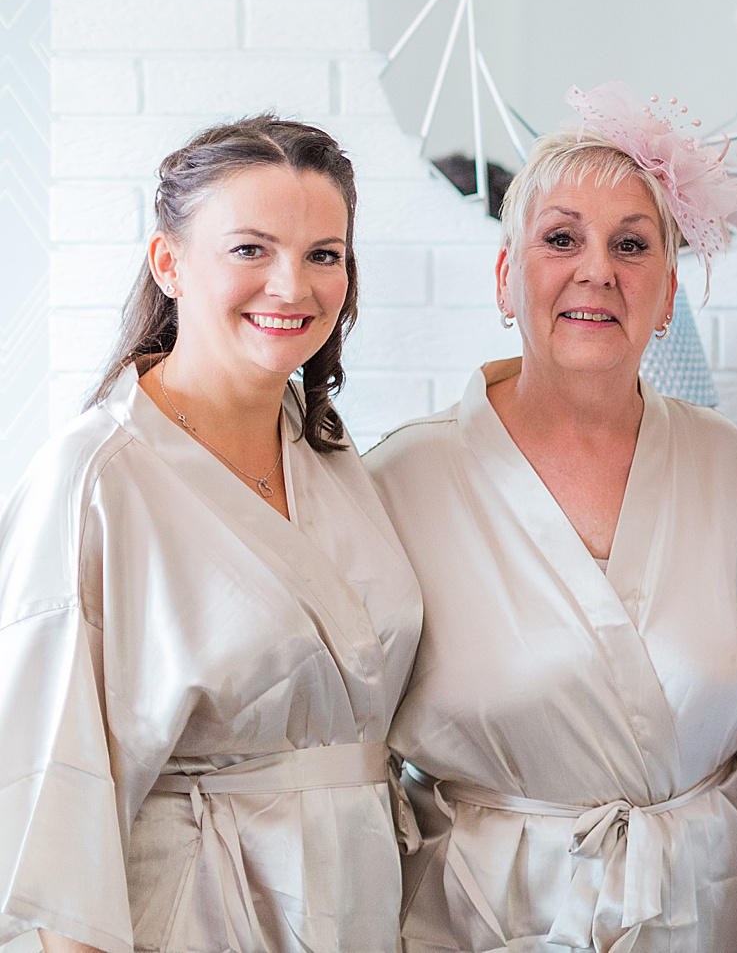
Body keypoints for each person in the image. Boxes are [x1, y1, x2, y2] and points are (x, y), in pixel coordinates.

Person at [0, 117, 422, 953]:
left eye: (323, 254)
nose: (292, 287)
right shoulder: (95, 476)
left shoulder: (328, 454)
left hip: (360, 908)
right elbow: (49, 797)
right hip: (195, 913)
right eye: (250, 250)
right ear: (169, 263)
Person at [367, 84, 737, 953]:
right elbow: (348, 750)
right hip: (482, 915)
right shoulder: (400, 481)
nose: (598, 270)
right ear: (509, 278)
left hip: (707, 905)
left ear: (668, 296)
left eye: (633, 245)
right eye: (561, 239)